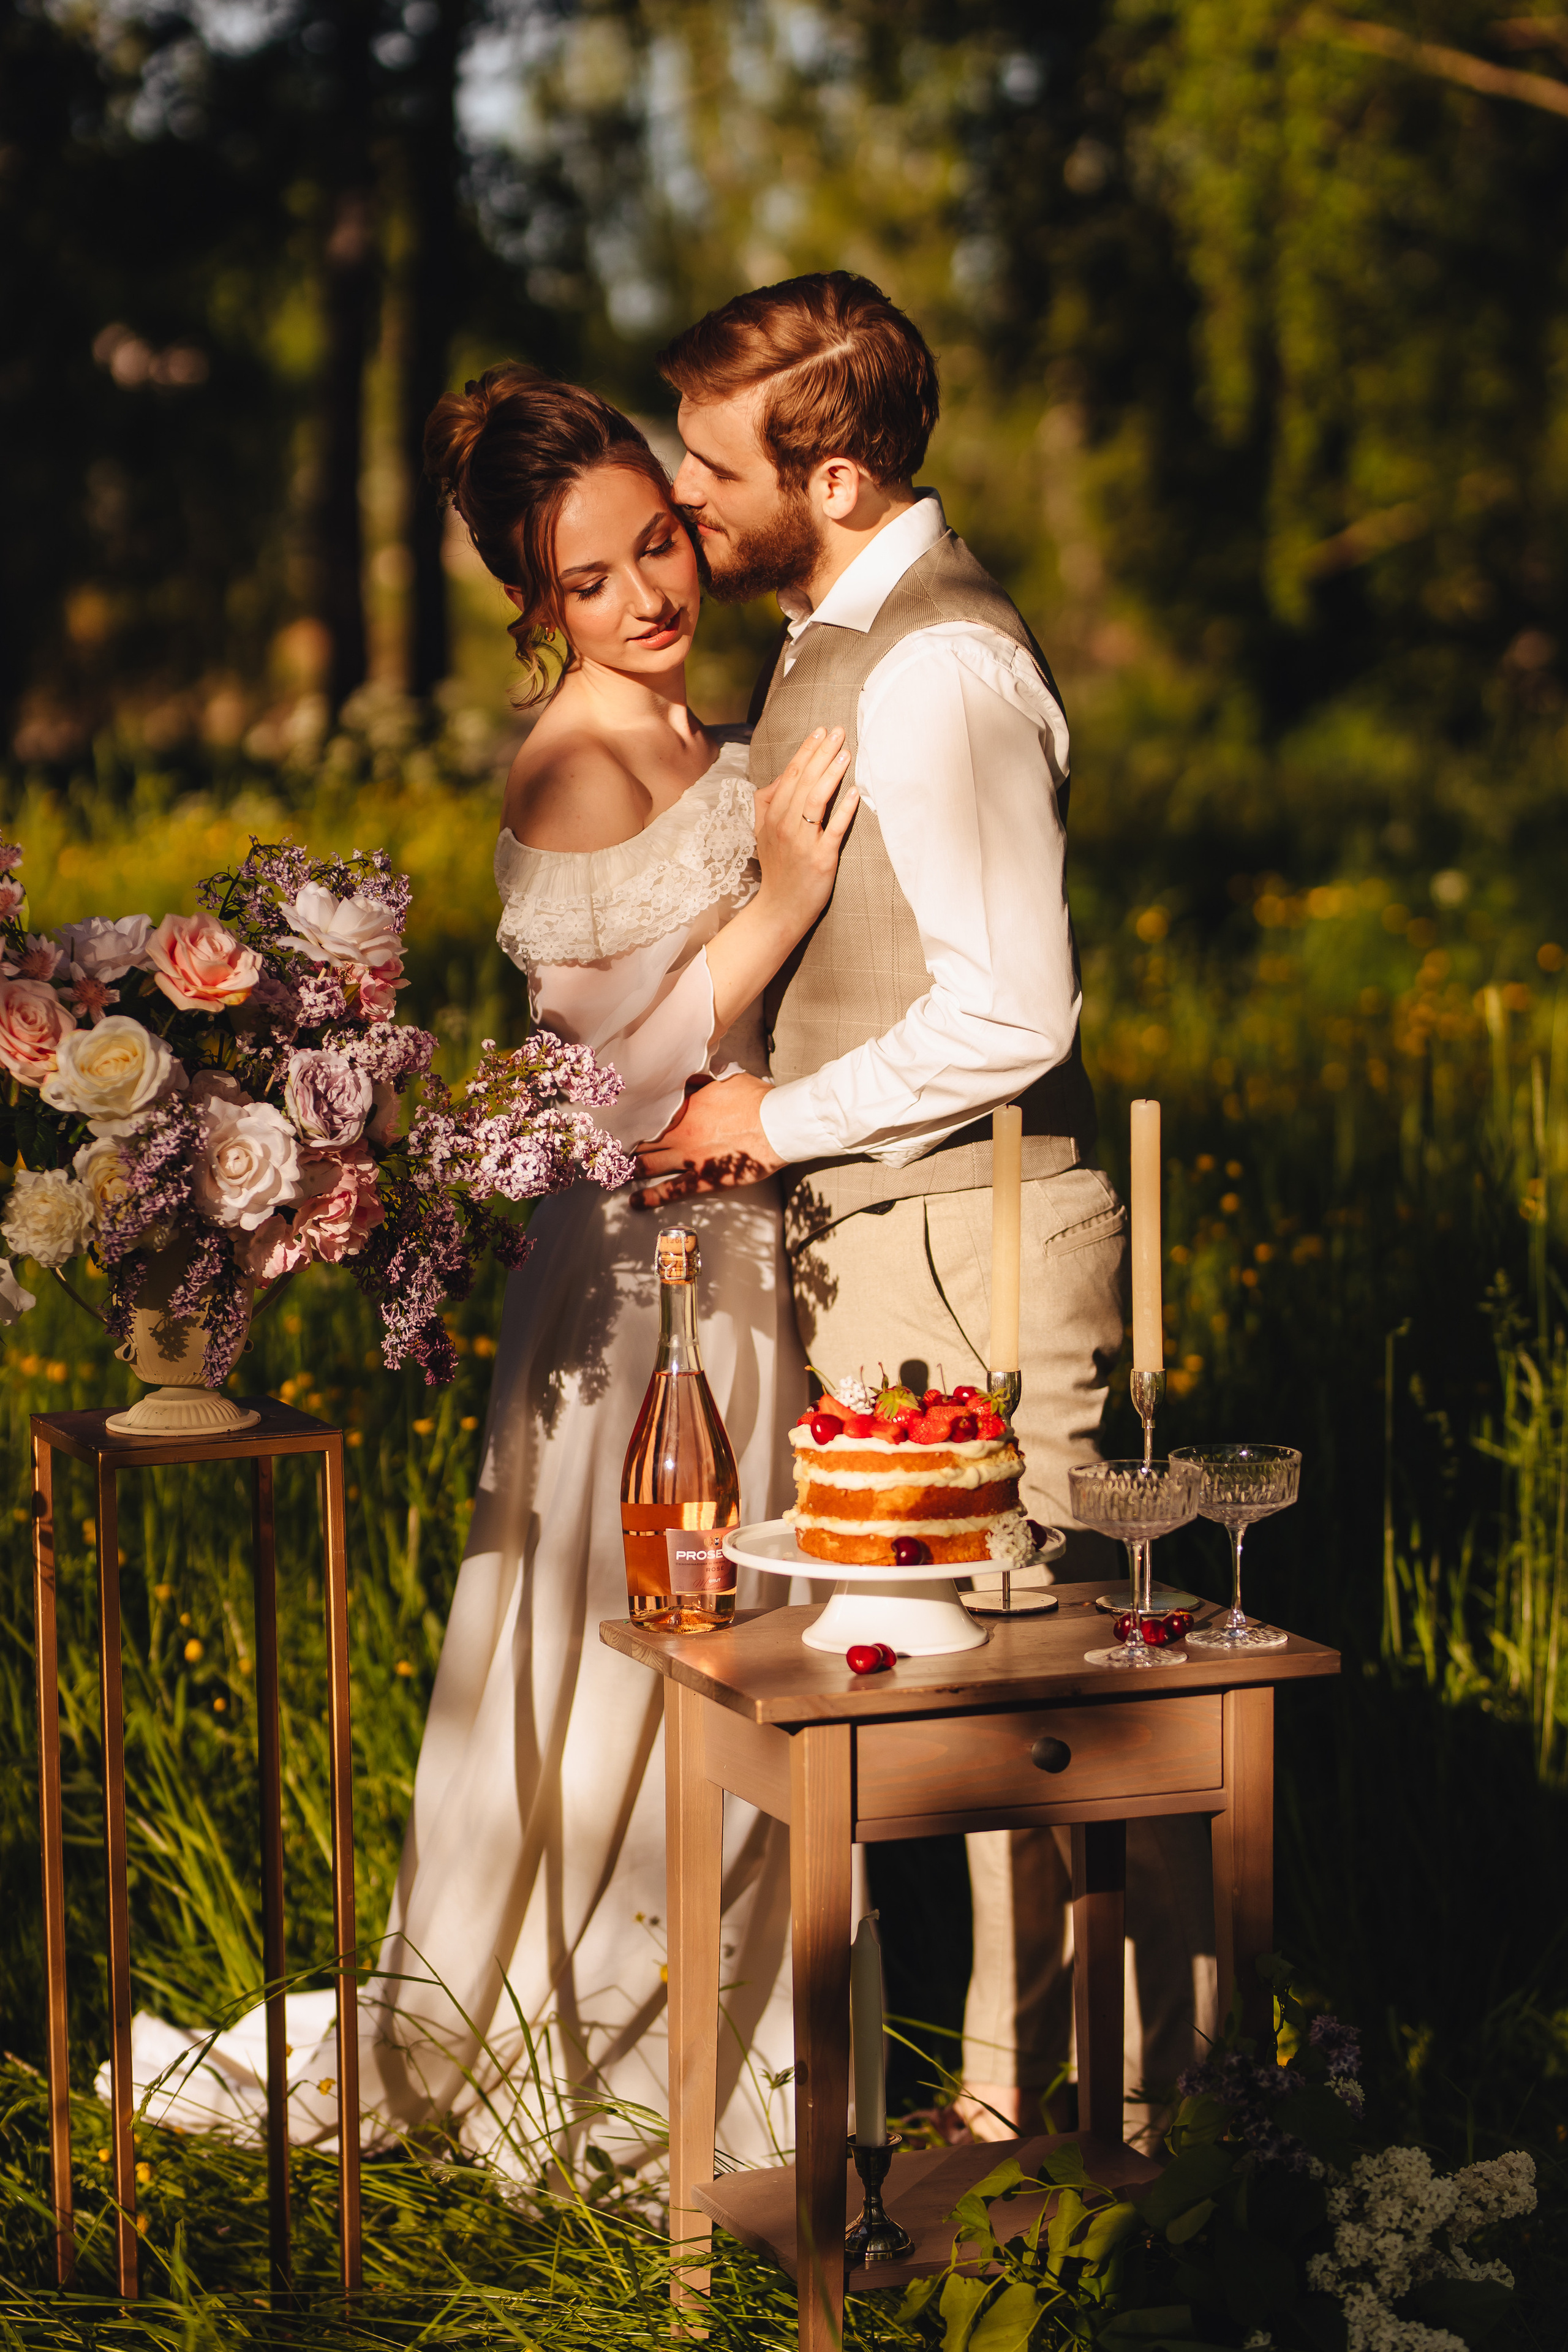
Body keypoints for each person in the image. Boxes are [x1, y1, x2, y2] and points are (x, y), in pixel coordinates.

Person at [110, 367, 856, 2173]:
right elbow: (605, 1084)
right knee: (645, 1655)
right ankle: (618, 2064)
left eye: (660, 546)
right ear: (540, 610)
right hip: (635, 1277)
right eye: (594, 581)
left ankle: (763, 2053)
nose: (651, 597)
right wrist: (774, 903)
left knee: (755, 1640)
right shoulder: (578, 757)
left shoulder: (701, 724)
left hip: (750, 1255)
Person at [635, 273, 1215, 2144]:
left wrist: (774, 1119)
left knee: (1041, 1709)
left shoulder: (943, 664)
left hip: (972, 1236)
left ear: (845, 474)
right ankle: (1026, 2126)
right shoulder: (833, 630)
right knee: (950, 1696)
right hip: (895, 1236)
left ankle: (1145, 2149)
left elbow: (1016, 1008)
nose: (685, 497)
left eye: (716, 466)